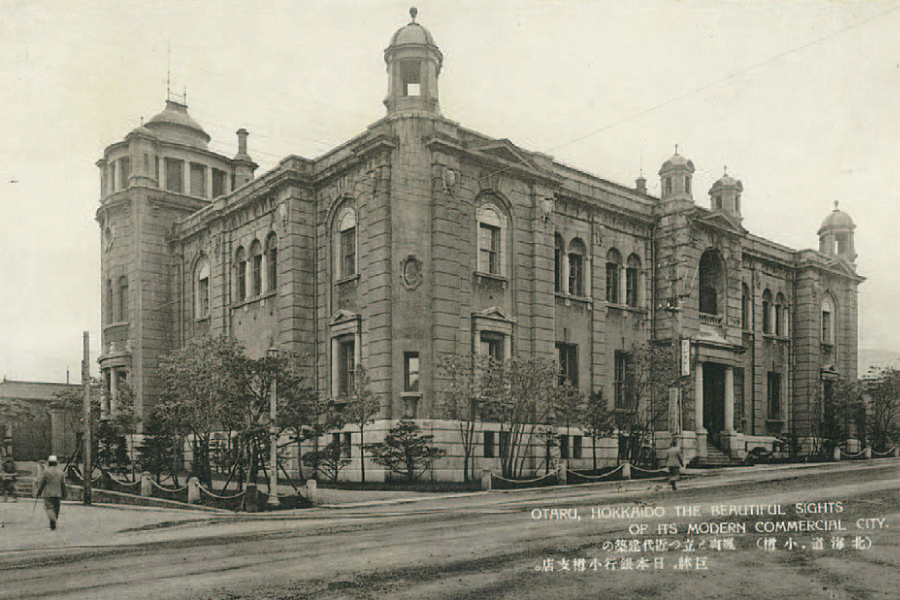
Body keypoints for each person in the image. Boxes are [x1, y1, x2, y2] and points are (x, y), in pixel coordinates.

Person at [34, 455, 67, 530]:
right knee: (56, 509)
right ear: (56, 463)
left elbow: (42, 483)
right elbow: (63, 485)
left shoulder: (46, 472)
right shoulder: (61, 473)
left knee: (49, 508)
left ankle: (52, 520)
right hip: (58, 494)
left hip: (48, 494)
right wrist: (65, 493)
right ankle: (54, 520)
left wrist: (38, 492)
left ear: (49, 463)